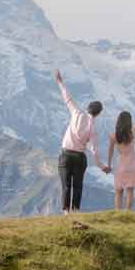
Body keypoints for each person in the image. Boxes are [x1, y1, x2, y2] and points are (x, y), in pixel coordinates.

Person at [54, 68, 109, 213]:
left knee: (66, 184)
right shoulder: (93, 127)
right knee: (77, 185)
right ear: (98, 114)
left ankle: (66, 212)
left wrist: (60, 82)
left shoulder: (77, 112)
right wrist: (101, 165)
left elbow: (68, 98)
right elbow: (94, 149)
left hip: (66, 154)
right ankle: (76, 210)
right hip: (79, 157)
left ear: (87, 108)